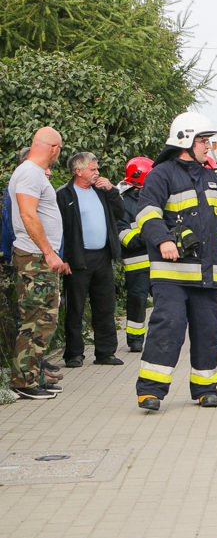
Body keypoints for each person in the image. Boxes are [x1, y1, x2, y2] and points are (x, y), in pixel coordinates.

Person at [134, 111, 217, 411]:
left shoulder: (210, 178)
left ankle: (205, 388)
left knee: (207, 333)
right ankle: (150, 391)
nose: (208, 147)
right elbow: (146, 212)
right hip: (171, 275)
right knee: (167, 329)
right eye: (203, 141)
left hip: (206, 275)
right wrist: (164, 239)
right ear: (185, 139)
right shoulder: (161, 174)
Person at [8, 127, 69, 399]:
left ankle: (33, 376)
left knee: (43, 321)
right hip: (34, 257)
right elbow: (28, 215)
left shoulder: (32, 174)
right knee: (36, 321)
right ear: (54, 149)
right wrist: (49, 252)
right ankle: (24, 383)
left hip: (38, 257)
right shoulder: (30, 174)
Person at [56, 152, 125, 368]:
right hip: (77, 257)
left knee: (105, 306)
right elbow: (58, 229)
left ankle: (105, 352)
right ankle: (74, 353)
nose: (97, 173)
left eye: (97, 169)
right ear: (78, 171)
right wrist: (63, 258)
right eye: (92, 169)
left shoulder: (102, 191)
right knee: (75, 308)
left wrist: (112, 191)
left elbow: (120, 213)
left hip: (102, 256)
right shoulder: (64, 194)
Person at [117, 157, 153, 352]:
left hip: (158, 262)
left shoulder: (156, 198)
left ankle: (159, 337)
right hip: (137, 264)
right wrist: (149, 236)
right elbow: (123, 234)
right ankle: (135, 339)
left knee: (165, 303)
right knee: (137, 302)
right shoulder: (123, 202)